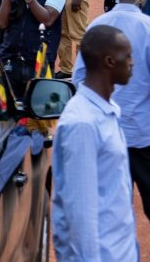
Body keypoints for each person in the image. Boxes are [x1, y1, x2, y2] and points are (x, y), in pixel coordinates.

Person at [52, 25, 138, 262]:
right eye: (128, 56)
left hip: (121, 249)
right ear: (109, 61)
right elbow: (80, 215)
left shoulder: (108, 110)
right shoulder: (83, 124)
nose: (132, 62)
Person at [74, 0, 150, 220]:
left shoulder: (98, 26)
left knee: (109, 207)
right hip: (142, 132)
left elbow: (78, 78)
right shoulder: (148, 28)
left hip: (104, 132)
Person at [0, 0, 65, 95]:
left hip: (39, 63)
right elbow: (2, 23)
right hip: (10, 61)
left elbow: (47, 20)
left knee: (39, 111)